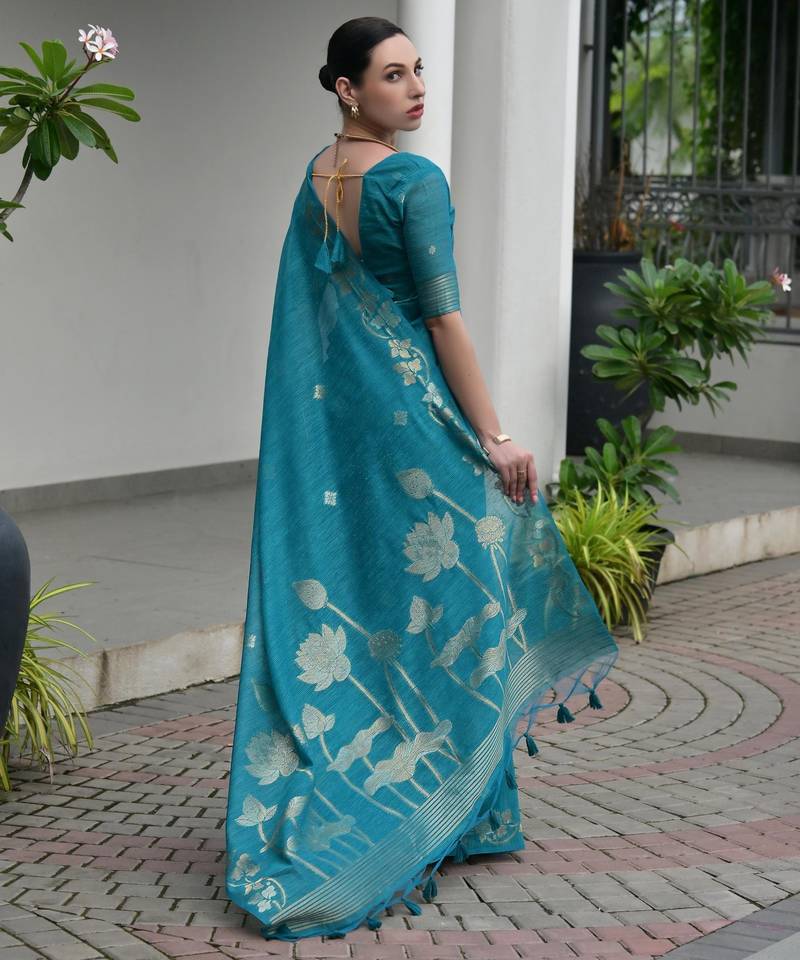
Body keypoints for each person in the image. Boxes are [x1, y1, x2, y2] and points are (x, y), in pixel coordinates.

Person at [224, 15, 619, 942]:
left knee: (384, 611)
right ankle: (449, 808)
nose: (415, 88)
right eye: (393, 75)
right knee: (466, 604)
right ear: (347, 90)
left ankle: (474, 808)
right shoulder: (413, 180)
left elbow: (317, 332)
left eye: (419, 71)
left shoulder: (317, 180)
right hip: (424, 434)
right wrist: (498, 436)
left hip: (350, 444)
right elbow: (444, 323)